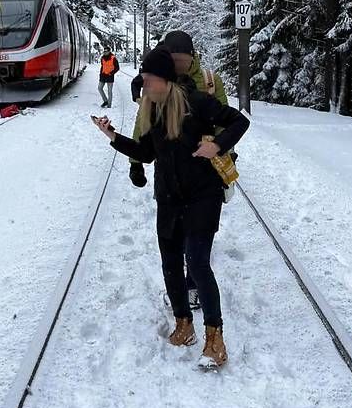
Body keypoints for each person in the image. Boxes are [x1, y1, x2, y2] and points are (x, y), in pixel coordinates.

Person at [90, 48, 249, 369]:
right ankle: (183, 323)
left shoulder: (196, 103)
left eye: (148, 79)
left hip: (203, 195)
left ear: (164, 79)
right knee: (171, 263)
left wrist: (217, 145)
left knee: (198, 263)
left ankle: (215, 339)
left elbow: (238, 121)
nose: (143, 85)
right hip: (169, 198)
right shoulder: (153, 110)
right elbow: (146, 152)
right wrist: (112, 135)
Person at [129, 31, 232, 311]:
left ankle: (194, 285)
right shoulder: (160, 81)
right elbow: (145, 123)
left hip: (204, 170)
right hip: (170, 172)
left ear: (192, 58)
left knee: (197, 242)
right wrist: (136, 163)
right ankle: (185, 290)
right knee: (176, 236)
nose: (176, 65)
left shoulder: (208, 81)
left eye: (182, 60)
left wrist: (222, 148)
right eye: (172, 60)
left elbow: (225, 117)